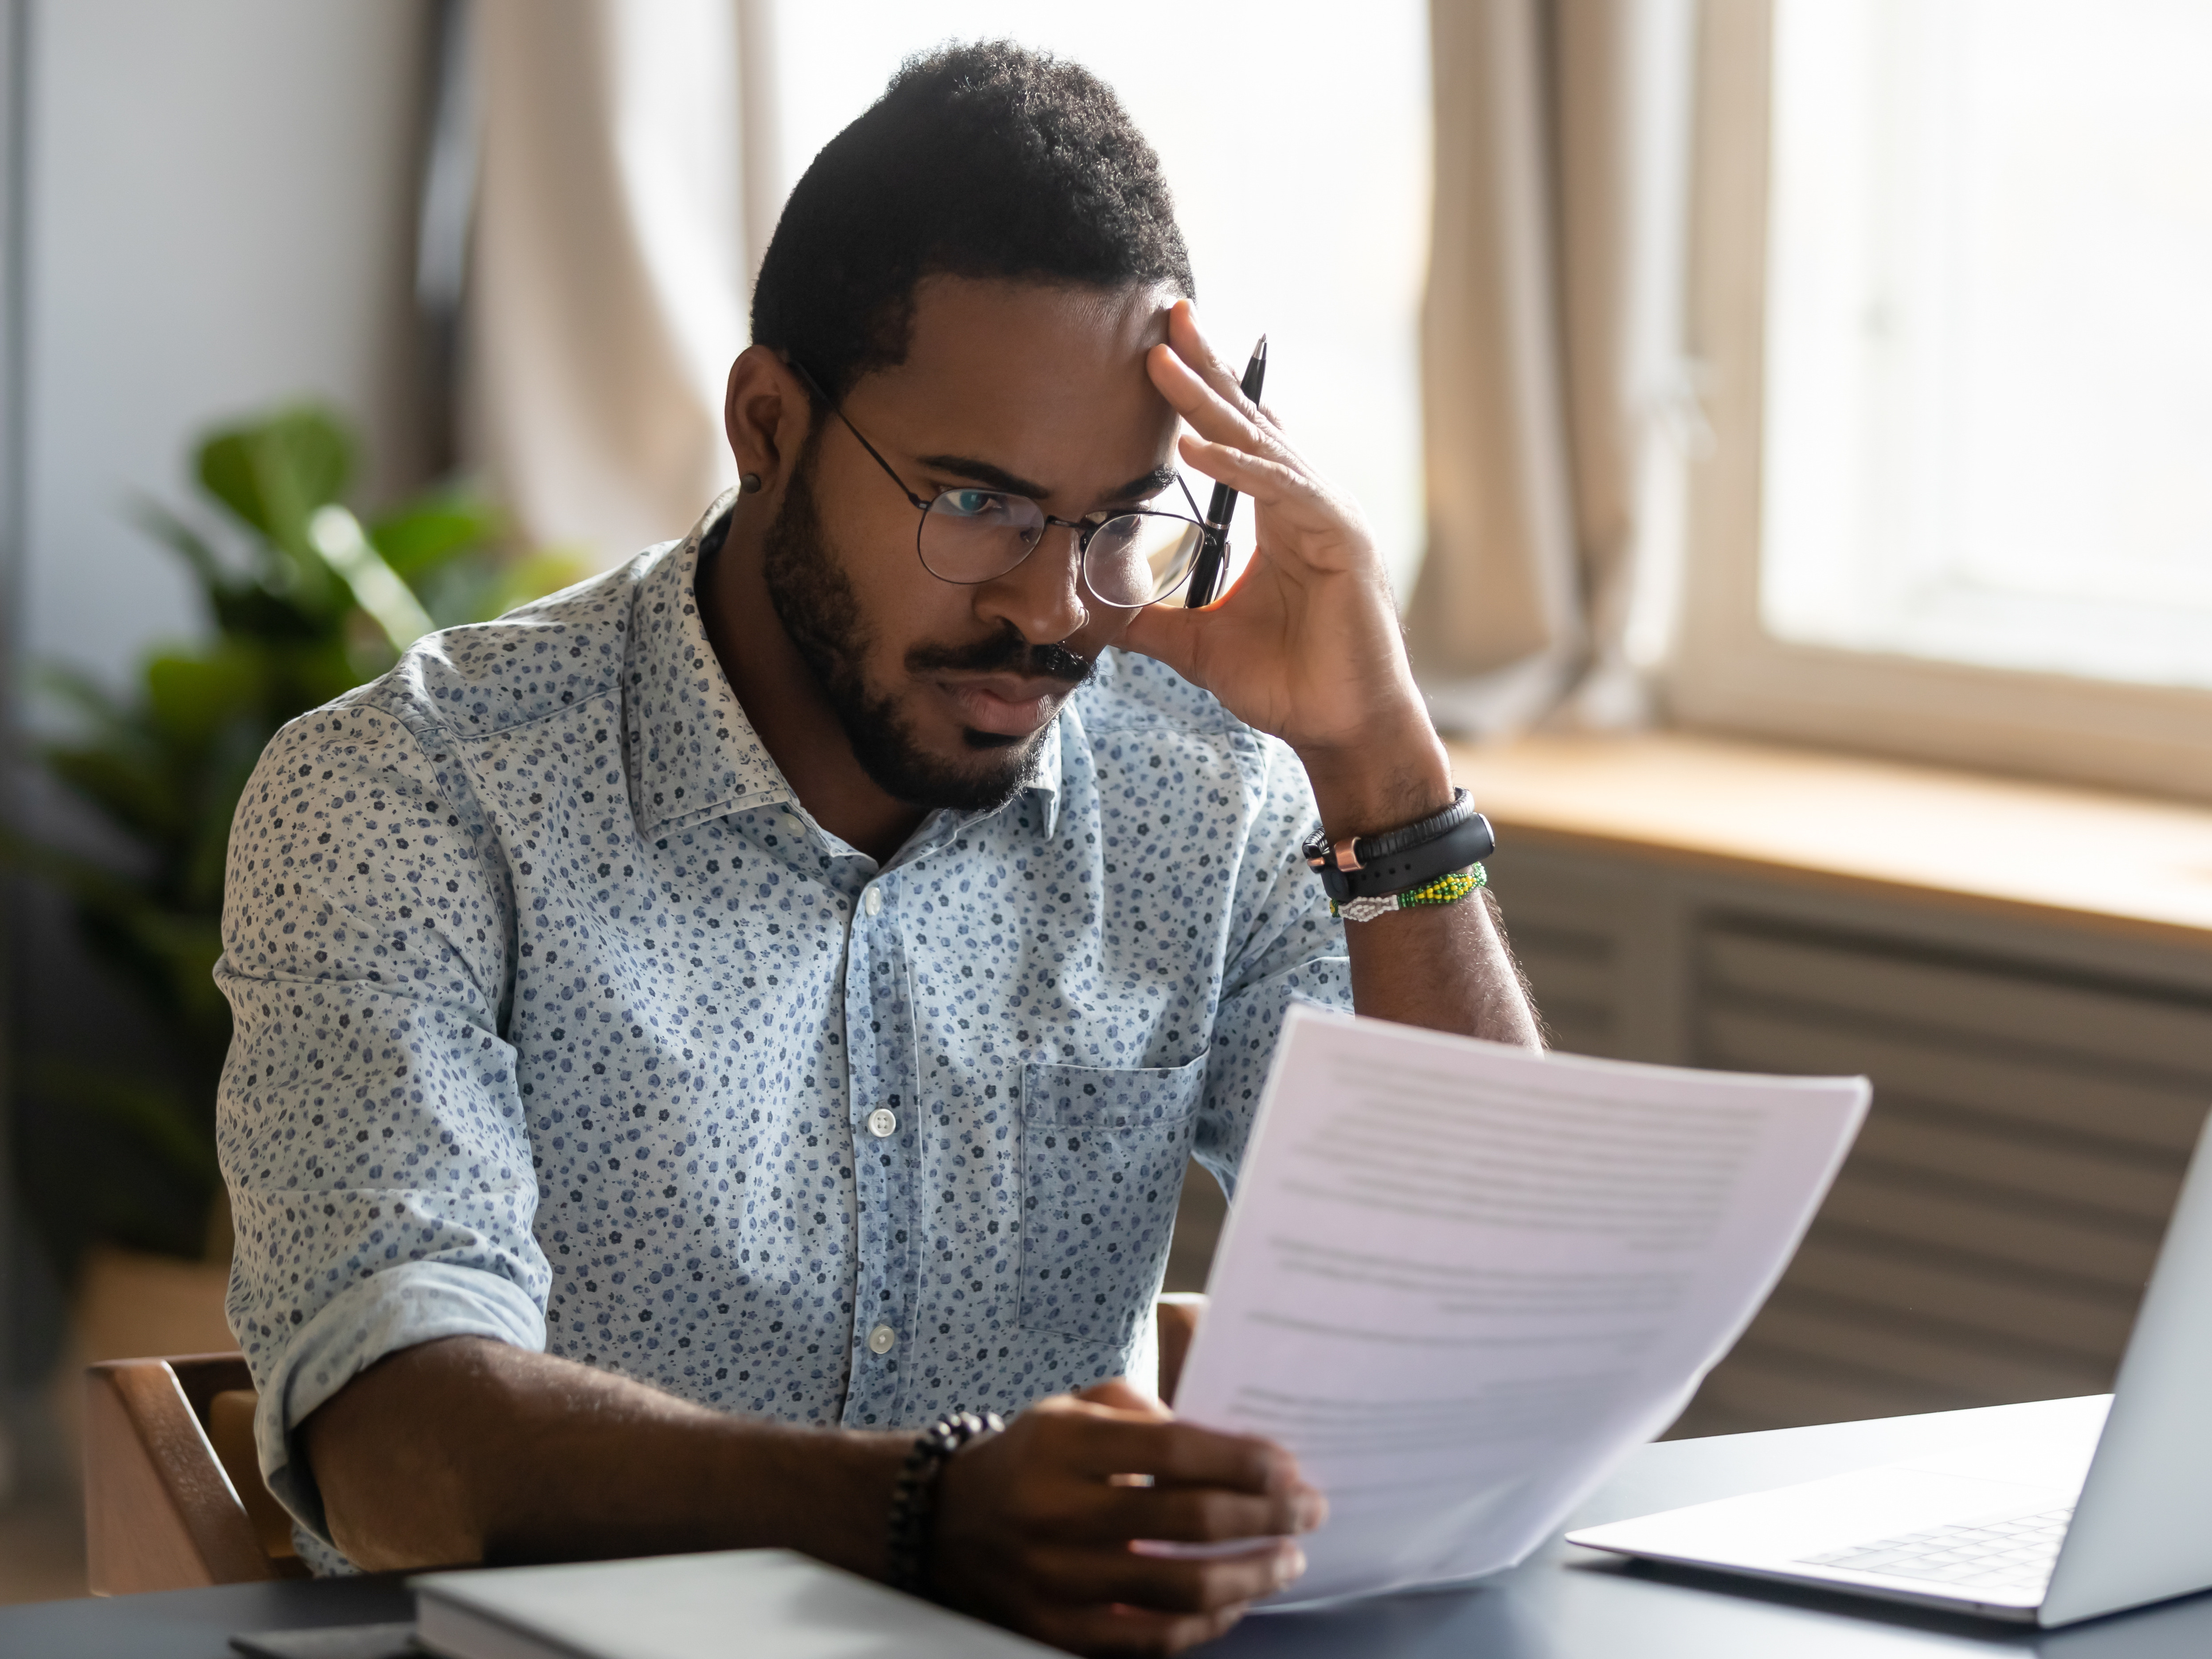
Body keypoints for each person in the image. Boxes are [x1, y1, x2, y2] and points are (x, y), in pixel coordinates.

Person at [215, 41, 1542, 1657]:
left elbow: (1492, 1321)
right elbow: (390, 1436)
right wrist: (922, 1516)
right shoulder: (410, 795)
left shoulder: (1213, 793)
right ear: (768, 423)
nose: (1052, 609)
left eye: (1121, 521)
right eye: (977, 506)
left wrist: (1383, 767)